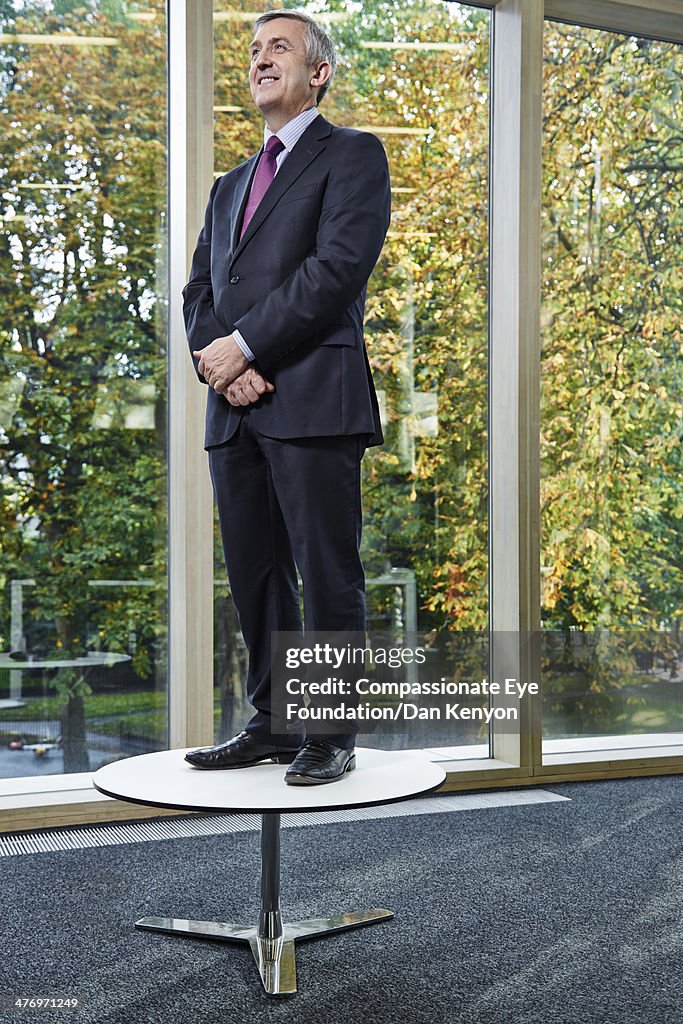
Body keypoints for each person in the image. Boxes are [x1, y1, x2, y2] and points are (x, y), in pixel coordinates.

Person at [183, 9, 391, 784]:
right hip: (235, 410)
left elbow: (335, 270)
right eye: (253, 52)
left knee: (325, 572)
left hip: (313, 401)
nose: (260, 61)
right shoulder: (228, 184)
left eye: (278, 49)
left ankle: (331, 732)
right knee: (256, 573)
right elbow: (199, 288)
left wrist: (247, 346)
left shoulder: (353, 156)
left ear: (319, 72)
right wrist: (222, 365)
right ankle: (272, 723)